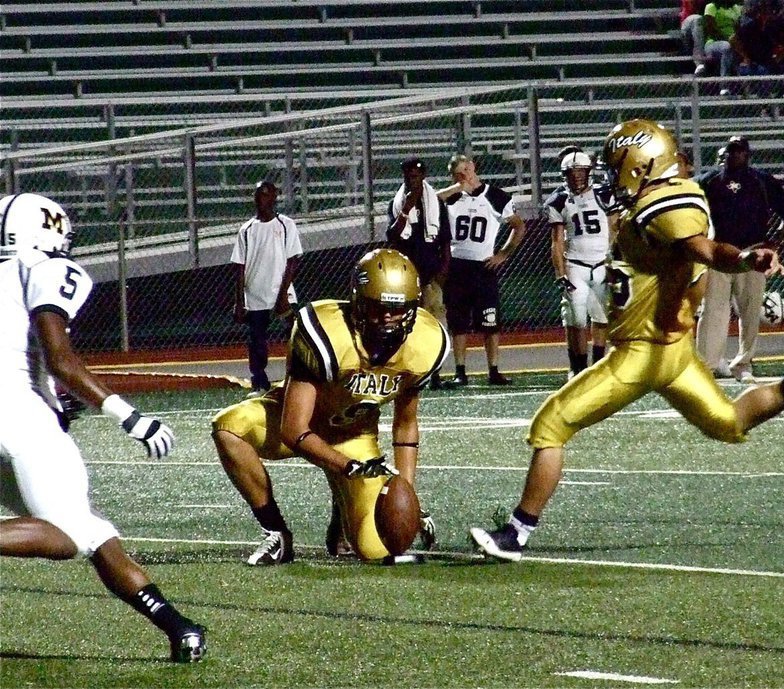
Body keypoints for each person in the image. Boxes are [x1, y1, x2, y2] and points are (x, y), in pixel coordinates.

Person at [469, 119, 784, 562]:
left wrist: (743, 258)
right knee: (727, 421)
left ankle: (516, 533)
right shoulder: (664, 195)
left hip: (641, 353)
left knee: (550, 425)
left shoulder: (666, 203)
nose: (611, 175)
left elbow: (702, 249)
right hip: (676, 354)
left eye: (615, 165)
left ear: (639, 164)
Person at [0, 193, 207, 662]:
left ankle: (178, 626)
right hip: (16, 414)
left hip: (18, 412)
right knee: (66, 534)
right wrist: (129, 416)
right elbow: (61, 360)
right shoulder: (44, 266)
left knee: (92, 532)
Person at [211, 248, 449, 564]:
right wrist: (345, 467)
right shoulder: (325, 331)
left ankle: (344, 508)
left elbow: (405, 424)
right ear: (359, 302)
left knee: (377, 550)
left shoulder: (426, 343)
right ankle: (276, 534)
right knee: (229, 428)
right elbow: (294, 429)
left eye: (398, 308)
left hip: (354, 435)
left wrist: (404, 490)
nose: (388, 318)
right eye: (378, 308)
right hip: (298, 421)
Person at [695, 135, 784, 382]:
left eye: (739, 151)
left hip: (753, 253)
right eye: (731, 151)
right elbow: (691, 209)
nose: (735, 155)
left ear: (747, 154)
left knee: (750, 312)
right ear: (723, 155)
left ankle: (743, 364)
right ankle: (706, 365)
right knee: (713, 311)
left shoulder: (761, 181)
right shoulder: (708, 182)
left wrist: (774, 244)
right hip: (719, 254)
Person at [438, 153, 527, 387]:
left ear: (473, 168)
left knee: (490, 321)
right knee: (458, 322)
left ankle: (494, 369)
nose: (464, 176)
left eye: (466, 171)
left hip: (482, 266)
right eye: (458, 173)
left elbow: (518, 226)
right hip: (457, 265)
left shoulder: (495, 196)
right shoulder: (450, 198)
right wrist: (456, 187)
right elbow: (430, 202)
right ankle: (460, 371)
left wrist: (503, 254)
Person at [544, 147, 615, 379]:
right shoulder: (558, 200)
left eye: (580, 173)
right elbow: (557, 241)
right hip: (575, 263)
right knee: (577, 317)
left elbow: (615, 227)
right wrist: (560, 272)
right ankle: (580, 367)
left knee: (602, 316)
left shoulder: (605, 193)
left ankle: (598, 364)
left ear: (589, 172)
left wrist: (615, 259)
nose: (576, 178)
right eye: (571, 174)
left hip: (602, 261)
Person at [231, 179, 302, 396]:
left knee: (296, 337)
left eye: (266, 194)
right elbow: (240, 267)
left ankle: (298, 379)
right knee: (257, 342)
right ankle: (260, 383)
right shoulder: (246, 230)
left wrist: (283, 294)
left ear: (274, 197)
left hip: (283, 292)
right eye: (259, 195)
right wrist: (239, 301)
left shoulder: (286, 225)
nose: (262, 199)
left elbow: (293, 261)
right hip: (255, 294)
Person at [387, 157, 452, 390]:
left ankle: (435, 373)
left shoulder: (435, 202)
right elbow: (393, 237)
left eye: (416, 175)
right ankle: (410, 372)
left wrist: (443, 271)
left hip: (431, 272)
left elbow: (444, 240)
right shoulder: (396, 204)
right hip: (407, 275)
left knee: (435, 324)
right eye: (408, 176)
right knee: (408, 325)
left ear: (423, 176)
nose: (412, 180)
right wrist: (405, 210)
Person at [731, 0, 784, 79]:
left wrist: (777, 58)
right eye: (763, 12)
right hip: (752, 63)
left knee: (782, 70)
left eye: (767, 12)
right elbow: (733, 40)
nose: (765, 15)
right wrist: (745, 57)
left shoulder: (773, 27)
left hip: (767, 62)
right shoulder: (750, 26)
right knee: (752, 70)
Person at [698, 0, 742, 81]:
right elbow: (711, 30)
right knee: (727, 47)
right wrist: (729, 40)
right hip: (713, 43)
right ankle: (725, 83)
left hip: (734, 42)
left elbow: (739, 28)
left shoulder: (735, 8)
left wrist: (736, 41)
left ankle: (746, 84)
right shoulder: (711, 7)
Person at [680, 0, 709, 75]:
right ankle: (699, 62)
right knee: (697, 19)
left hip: (707, 24)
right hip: (690, 22)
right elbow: (692, 7)